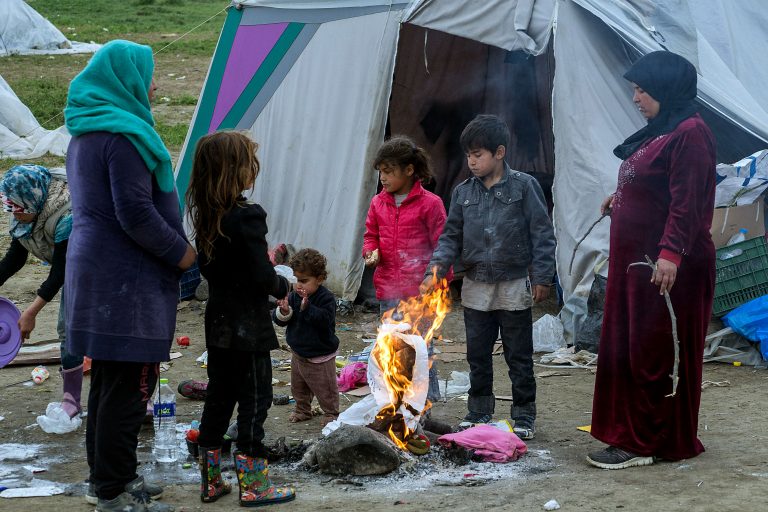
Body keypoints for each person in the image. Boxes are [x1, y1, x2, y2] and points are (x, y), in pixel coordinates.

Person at [64, 40, 196, 512]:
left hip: (95, 274)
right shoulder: (123, 136)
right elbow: (136, 214)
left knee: (108, 385)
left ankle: (109, 478)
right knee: (128, 389)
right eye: (148, 76)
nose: (155, 86)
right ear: (126, 79)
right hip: (126, 281)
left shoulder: (85, 131)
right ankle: (114, 494)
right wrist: (184, 255)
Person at [586, 51, 716, 470]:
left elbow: (688, 201)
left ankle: (645, 441)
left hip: (666, 270)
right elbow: (654, 183)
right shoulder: (665, 130)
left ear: (666, 88)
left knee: (653, 351)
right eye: (635, 90)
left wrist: (670, 253)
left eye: (643, 90)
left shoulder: (691, 134)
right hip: (639, 266)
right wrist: (620, 198)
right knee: (633, 348)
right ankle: (635, 432)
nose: (637, 98)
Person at [423, 115, 555, 439]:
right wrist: (435, 272)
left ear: (499, 152)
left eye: (478, 154)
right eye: (468, 155)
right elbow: (450, 237)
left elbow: (542, 233)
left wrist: (542, 276)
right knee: (477, 355)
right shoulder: (462, 193)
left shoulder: (524, 186)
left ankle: (523, 416)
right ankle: (479, 410)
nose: (471, 161)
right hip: (475, 285)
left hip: (512, 284)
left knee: (519, 356)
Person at [186, 130, 295, 507]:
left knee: (218, 399)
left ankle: (211, 480)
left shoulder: (206, 217)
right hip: (247, 328)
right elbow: (259, 276)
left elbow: (216, 272)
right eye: (250, 164)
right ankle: (253, 483)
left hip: (218, 323)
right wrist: (283, 283)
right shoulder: (248, 216)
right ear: (235, 171)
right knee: (255, 399)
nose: (255, 171)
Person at [362, 135, 449, 403]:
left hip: (420, 292)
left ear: (409, 170)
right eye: (381, 173)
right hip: (388, 287)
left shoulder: (430, 204)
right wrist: (370, 252)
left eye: (389, 171)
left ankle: (425, 401)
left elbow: (443, 245)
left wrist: (435, 280)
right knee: (391, 345)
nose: (383, 178)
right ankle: (394, 399)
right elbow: (370, 235)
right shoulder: (378, 202)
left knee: (421, 347)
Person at [0, 164, 83, 433]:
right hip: (71, 269)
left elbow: (61, 272)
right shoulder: (27, 208)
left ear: (29, 198)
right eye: (8, 207)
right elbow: (16, 256)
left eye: (15, 208)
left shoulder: (66, 212)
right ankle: (73, 399)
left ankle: (74, 400)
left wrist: (31, 312)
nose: (12, 213)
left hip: (96, 267)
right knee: (71, 330)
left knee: (70, 328)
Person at [273, 248, 340, 427]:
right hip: (298, 352)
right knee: (299, 387)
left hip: (320, 354)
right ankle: (303, 410)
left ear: (319, 279)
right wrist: (284, 311)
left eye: (304, 281)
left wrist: (307, 308)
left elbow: (325, 320)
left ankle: (331, 413)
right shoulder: (294, 296)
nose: (299, 285)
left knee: (325, 388)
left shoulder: (326, 298)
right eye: (296, 280)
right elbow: (282, 322)